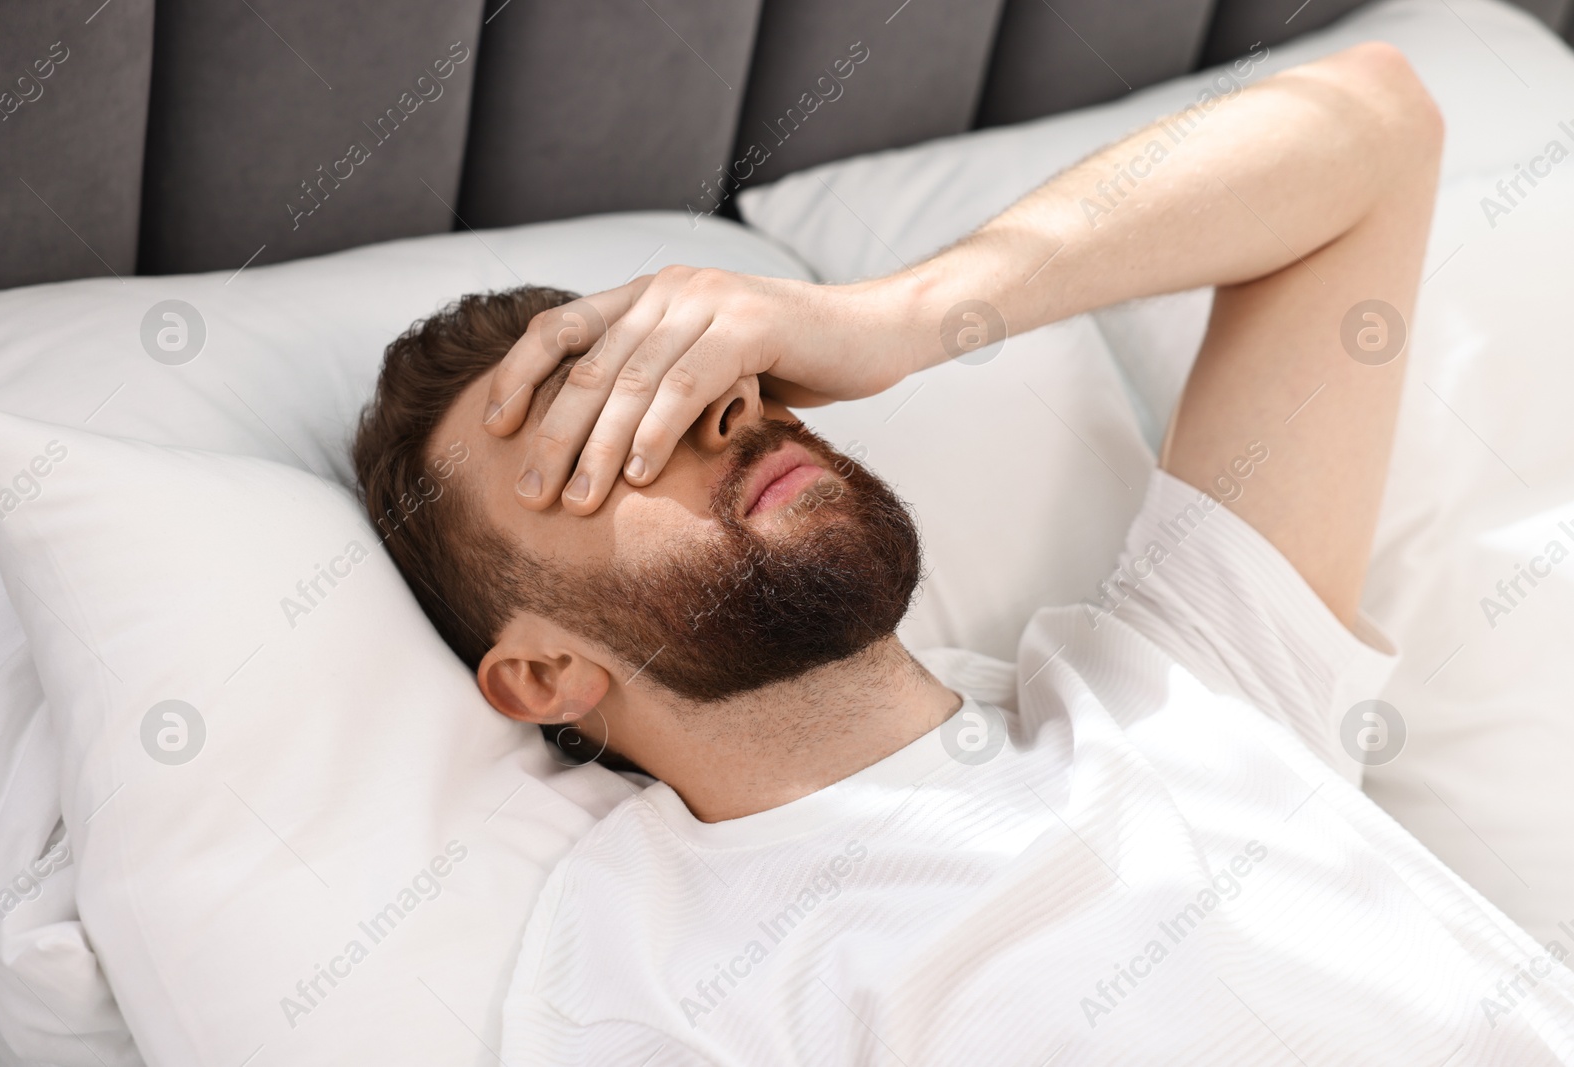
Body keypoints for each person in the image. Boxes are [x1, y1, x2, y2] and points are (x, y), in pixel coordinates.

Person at [352, 42, 1574, 1065]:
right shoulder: (648, 980)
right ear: (541, 674)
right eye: (605, 442)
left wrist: (896, 318)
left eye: (695, 377)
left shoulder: (1185, 688)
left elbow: (1372, 125)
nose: (716, 413)